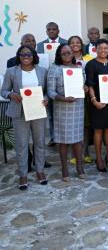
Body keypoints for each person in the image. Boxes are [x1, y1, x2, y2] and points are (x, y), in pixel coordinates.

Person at [1, 45, 49, 189]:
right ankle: (23, 174)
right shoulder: (11, 72)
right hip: (19, 111)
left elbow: (47, 91)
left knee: (39, 142)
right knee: (22, 144)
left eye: (28, 54)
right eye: (22, 54)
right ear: (18, 56)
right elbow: (4, 91)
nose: (26, 57)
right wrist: (11, 95)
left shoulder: (42, 71)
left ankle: (40, 171)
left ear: (34, 55)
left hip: (37, 111)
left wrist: (46, 98)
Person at [47, 44, 86, 181]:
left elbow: (83, 85)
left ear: (73, 54)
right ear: (59, 55)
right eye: (63, 53)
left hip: (77, 107)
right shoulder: (54, 69)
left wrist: (85, 88)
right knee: (63, 140)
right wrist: (62, 99)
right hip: (62, 108)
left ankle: (79, 167)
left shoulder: (79, 68)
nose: (67, 55)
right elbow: (50, 91)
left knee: (77, 139)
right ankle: (65, 168)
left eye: (69, 53)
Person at [85, 39, 108, 172]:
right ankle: (99, 158)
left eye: (106, 48)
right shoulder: (91, 64)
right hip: (98, 102)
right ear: (95, 49)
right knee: (98, 130)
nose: (103, 50)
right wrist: (94, 101)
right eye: (101, 48)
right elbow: (90, 84)